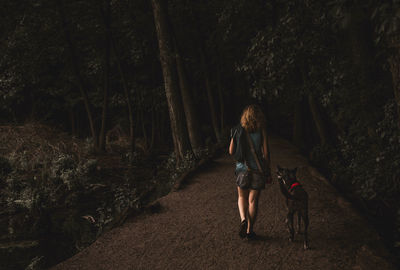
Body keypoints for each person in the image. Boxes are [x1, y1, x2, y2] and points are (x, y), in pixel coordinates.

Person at [229, 104, 272, 240]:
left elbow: (231, 151)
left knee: (242, 197)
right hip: (258, 170)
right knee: (253, 201)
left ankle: (243, 219)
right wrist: (267, 169)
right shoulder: (261, 130)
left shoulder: (237, 130)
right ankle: (249, 231)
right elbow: (265, 153)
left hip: (242, 169)